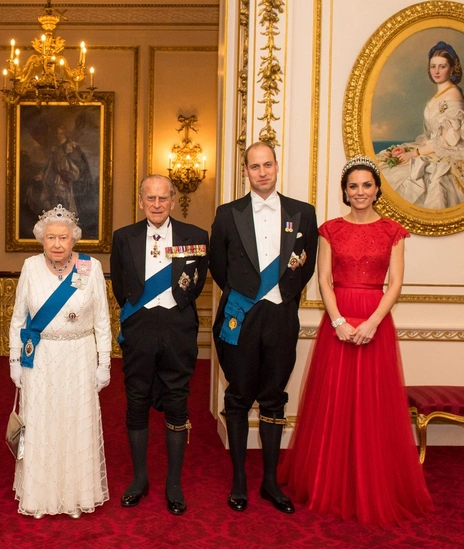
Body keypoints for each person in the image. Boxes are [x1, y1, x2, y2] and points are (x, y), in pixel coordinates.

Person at [278, 155, 433, 525]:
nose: (360, 191)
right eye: (353, 186)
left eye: (366, 185)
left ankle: (372, 484)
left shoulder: (393, 231)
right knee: (335, 401)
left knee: (373, 405)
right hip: (340, 321)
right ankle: (330, 481)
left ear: (377, 189)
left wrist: (373, 322)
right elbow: (324, 280)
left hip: (375, 321)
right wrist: (338, 321)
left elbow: (395, 284)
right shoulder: (330, 230)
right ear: (344, 192)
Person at [210, 142, 319, 514]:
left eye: (267, 164)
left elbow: (307, 266)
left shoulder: (303, 213)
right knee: (239, 395)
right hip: (241, 315)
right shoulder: (228, 214)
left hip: (280, 316)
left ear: (276, 166)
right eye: (254, 166)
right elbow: (218, 266)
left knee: (273, 397)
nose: (262, 172)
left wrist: (282, 297)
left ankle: (270, 480)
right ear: (246, 171)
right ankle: (239, 479)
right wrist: (246, 295)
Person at [110, 174, 209, 516]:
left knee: (177, 403)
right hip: (139, 329)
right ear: (140, 201)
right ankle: (139, 479)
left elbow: (196, 284)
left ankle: (174, 484)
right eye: (150, 198)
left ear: (172, 200)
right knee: (136, 400)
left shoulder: (196, 236)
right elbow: (120, 286)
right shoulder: (123, 237)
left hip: (178, 328)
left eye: (162, 198)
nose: (156, 204)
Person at [8, 204, 111, 518]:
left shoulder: (90, 267)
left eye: (63, 238)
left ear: (73, 239)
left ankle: (76, 495)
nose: (56, 244)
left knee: (75, 422)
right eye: (50, 237)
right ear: (41, 239)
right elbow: (18, 318)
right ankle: (40, 496)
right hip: (41, 357)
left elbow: (102, 320)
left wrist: (104, 363)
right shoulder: (30, 267)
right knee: (42, 423)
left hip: (79, 355)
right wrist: (14, 360)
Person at [377, 41, 464, 209]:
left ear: (452, 68)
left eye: (442, 66)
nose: (436, 71)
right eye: (433, 66)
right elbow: (431, 136)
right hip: (432, 148)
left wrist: (414, 153)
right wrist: (410, 149)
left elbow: (446, 141)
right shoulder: (439, 95)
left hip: (448, 153)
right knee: (386, 167)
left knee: (419, 180)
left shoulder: (453, 95)